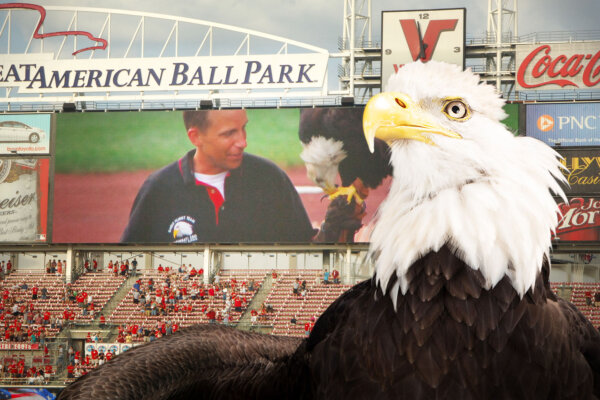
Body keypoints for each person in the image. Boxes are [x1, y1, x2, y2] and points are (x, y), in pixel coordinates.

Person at [120, 109, 318, 243]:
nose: (243, 142)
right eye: (229, 133)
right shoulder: (158, 189)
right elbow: (127, 262)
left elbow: (304, 248)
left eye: (243, 128)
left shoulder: (271, 178)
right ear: (195, 137)